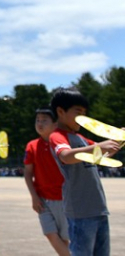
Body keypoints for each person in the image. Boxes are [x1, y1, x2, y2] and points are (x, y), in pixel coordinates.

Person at [49, 88, 121, 256]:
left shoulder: (81, 138)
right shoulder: (58, 136)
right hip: (80, 211)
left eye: (85, 113)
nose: (83, 118)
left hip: (98, 208)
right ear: (61, 111)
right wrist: (98, 146)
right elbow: (66, 156)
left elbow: (105, 152)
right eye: (78, 112)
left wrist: (118, 138)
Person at [24, 109, 69, 256]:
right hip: (43, 199)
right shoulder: (32, 145)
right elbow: (28, 173)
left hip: (64, 198)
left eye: (44, 120)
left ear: (55, 124)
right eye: (37, 120)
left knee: (65, 238)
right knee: (50, 233)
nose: (40, 123)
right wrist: (34, 196)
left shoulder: (62, 143)